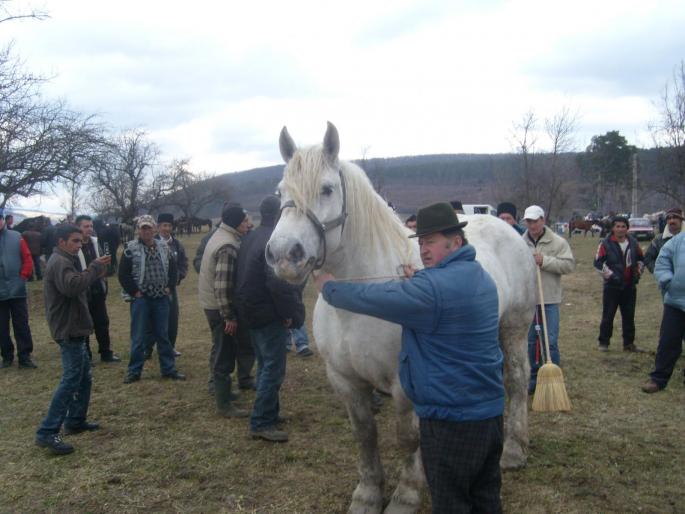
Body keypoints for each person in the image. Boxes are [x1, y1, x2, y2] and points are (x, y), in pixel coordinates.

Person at [315, 201, 505, 512]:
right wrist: (419, 278)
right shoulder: (478, 275)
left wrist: (331, 289)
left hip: (450, 421)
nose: (423, 249)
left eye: (430, 242)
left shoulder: (432, 290)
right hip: (489, 413)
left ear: (455, 241)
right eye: (421, 241)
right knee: (485, 495)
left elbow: (381, 298)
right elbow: (439, 292)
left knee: (451, 500)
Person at [35, 224, 110, 455]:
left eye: (81, 241)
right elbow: (72, 286)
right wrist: (94, 268)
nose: (80, 244)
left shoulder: (65, 260)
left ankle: (76, 420)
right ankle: (47, 431)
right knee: (70, 381)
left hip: (74, 327)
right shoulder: (60, 262)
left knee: (84, 377)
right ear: (61, 242)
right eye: (75, 241)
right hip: (69, 330)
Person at [235, 195, 305, 443]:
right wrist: (290, 315)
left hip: (250, 311)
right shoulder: (273, 242)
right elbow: (278, 284)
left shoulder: (251, 237)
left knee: (265, 365)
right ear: (280, 215)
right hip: (267, 313)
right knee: (273, 369)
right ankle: (261, 422)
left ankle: (269, 413)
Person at [198, 204, 251, 417]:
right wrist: (229, 316)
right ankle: (224, 404)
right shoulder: (228, 246)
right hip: (219, 308)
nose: (248, 224)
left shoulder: (220, 234)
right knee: (224, 354)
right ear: (237, 223)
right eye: (245, 221)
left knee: (219, 347)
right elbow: (222, 286)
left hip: (211, 304)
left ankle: (223, 391)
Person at [118, 215, 184, 383]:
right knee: (138, 337)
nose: (146, 231)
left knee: (163, 335)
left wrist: (170, 286)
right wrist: (134, 292)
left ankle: (168, 369)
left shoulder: (164, 247)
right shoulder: (130, 249)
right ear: (138, 230)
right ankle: (134, 372)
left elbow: (174, 268)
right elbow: (123, 274)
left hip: (161, 298)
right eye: (143, 228)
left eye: (149, 227)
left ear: (154, 229)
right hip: (141, 299)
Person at [522, 205, 575, 393]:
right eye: (529, 221)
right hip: (528, 301)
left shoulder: (557, 242)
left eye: (535, 221)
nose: (532, 225)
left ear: (543, 220)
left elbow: (568, 265)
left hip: (550, 299)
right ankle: (534, 378)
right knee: (530, 341)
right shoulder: (519, 242)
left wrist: (544, 261)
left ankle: (553, 380)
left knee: (550, 340)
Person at [593, 215, 646, 353]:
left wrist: (638, 273)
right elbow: (598, 263)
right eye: (617, 226)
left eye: (623, 226)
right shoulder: (605, 243)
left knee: (629, 316)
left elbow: (641, 259)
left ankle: (629, 344)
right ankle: (604, 342)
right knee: (608, 315)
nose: (620, 229)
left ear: (627, 228)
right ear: (613, 228)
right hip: (612, 287)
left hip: (629, 286)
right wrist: (610, 276)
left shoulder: (633, 242)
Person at [642, 231, 685, 393]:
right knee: (668, 342)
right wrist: (666, 280)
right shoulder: (677, 241)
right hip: (675, 301)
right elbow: (662, 261)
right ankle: (658, 379)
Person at [75, 215, 120, 363]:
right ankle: (86, 356)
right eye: (85, 226)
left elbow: (103, 261)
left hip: (98, 288)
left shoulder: (95, 242)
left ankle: (106, 353)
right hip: (82, 290)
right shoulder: (74, 246)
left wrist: (104, 271)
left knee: (102, 322)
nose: (89, 229)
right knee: (84, 325)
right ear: (78, 228)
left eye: (91, 226)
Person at [145, 213, 188, 359]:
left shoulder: (176, 244)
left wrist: (178, 277)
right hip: (153, 289)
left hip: (171, 289)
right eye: (164, 225)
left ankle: (170, 347)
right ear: (158, 227)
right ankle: (148, 348)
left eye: (169, 225)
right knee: (151, 319)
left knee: (172, 318)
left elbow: (183, 264)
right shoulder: (151, 242)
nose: (166, 228)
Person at [0, 208, 36, 369]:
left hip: (17, 289)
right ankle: (7, 356)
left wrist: (23, 276)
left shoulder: (16, 237)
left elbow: (27, 258)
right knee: (1, 326)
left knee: (21, 324)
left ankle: (25, 355)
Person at [644, 207, 683, 274]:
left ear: (681, 220)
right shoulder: (658, 240)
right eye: (669, 218)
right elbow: (648, 259)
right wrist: (659, 273)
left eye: (675, 218)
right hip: (667, 282)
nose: (672, 221)